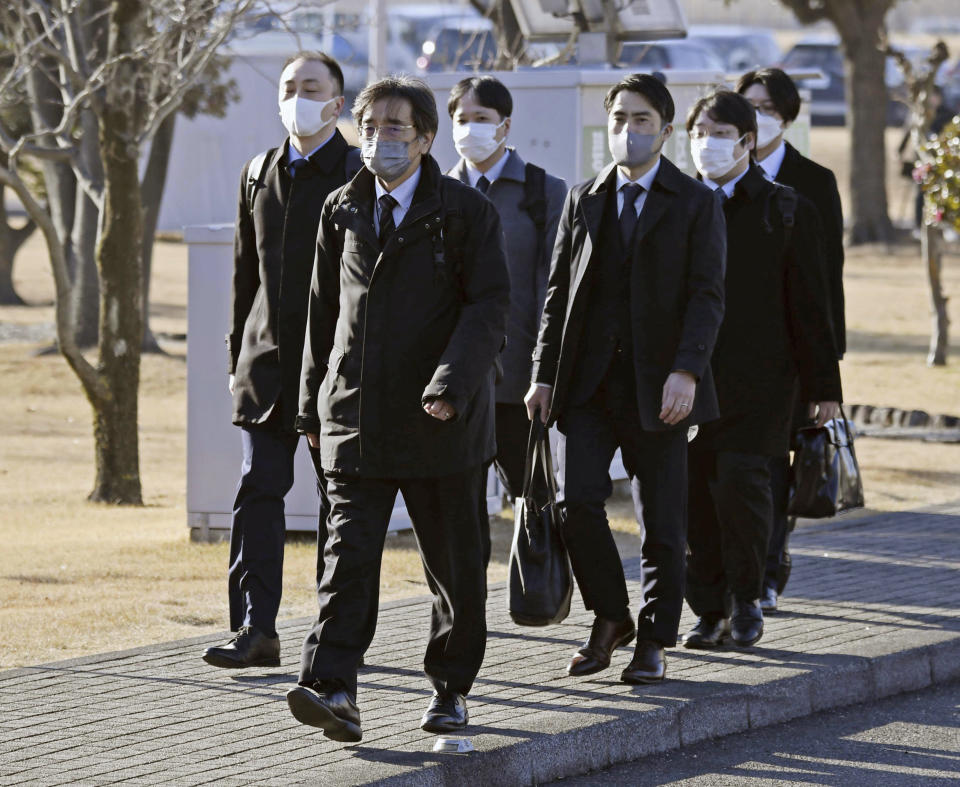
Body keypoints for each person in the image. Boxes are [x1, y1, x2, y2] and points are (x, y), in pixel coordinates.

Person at [286, 76, 509, 742]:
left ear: (425, 138)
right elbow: (322, 316)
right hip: (356, 415)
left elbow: (489, 308)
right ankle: (333, 686)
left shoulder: (466, 212)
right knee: (346, 558)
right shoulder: (341, 208)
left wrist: (450, 384)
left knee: (455, 567)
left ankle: (450, 688)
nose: (381, 138)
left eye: (395, 127)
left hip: (442, 420)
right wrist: (310, 409)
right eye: (370, 124)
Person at [525, 74, 726, 684]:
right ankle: (611, 616)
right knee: (575, 504)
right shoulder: (584, 197)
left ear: (665, 131)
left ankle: (654, 640)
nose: (627, 131)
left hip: (660, 390)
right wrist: (542, 374)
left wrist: (687, 372)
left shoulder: (695, 202)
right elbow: (557, 292)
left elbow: (707, 296)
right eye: (618, 119)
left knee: (662, 521)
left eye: (641, 121)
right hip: (587, 386)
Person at [203, 52, 356, 670]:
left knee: (339, 504)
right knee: (257, 493)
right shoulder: (257, 172)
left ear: (337, 103)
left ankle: (337, 634)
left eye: (311, 87)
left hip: (335, 372)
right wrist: (237, 356)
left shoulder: (358, 173)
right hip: (266, 369)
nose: (297, 96)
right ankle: (255, 629)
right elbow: (245, 279)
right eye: (289, 86)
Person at [682, 89, 841, 650]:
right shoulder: (677, 203)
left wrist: (824, 385)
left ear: (748, 142)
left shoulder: (785, 208)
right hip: (686, 378)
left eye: (721, 132)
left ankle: (747, 599)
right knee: (694, 497)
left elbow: (811, 303)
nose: (708, 143)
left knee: (743, 490)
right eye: (699, 131)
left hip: (764, 380)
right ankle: (706, 609)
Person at [446, 75, 567, 565]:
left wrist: (546, 370)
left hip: (519, 378)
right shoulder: (437, 191)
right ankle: (461, 607)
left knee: (534, 499)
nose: (471, 129)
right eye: (462, 119)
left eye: (482, 119)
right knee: (457, 503)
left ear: (506, 125)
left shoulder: (544, 191)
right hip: (455, 380)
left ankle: (543, 591)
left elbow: (556, 289)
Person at [736, 68, 845, 612]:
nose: (757, 114)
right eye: (747, 104)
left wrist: (828, 366)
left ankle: (771, 566)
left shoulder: (814, 180)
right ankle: (746, 571)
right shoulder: (720, 174)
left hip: (795, 350)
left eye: (767, 106)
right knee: (747, 464)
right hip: (735, 354)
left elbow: (828, 278)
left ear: (786, 114)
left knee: (782, 461)